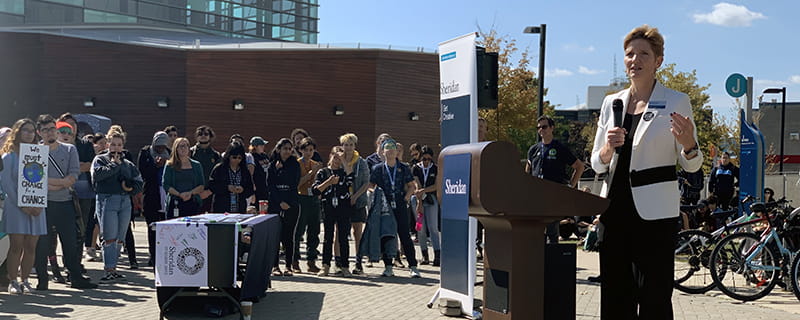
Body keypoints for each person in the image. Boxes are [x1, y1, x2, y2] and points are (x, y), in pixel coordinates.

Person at [590, 25, 702, 319]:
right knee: (615, 299)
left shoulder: (676, 101)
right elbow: (596, 163)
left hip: (655, 217)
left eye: (643, 54)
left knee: (654, 299)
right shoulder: (611, 102)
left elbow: (692, 164)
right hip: (614, 213)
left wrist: (689, 144)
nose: (634, 60)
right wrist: (607, 150)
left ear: (658, 61)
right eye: (629, 54)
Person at [33, 114, 98, 290]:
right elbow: (34, 180)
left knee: (70, 242)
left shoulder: (70, 150)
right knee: (42, 244)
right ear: (39, 133)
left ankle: (76, 277)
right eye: (45, 130)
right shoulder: (34, 152)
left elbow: (73, 176)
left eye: (52, 129)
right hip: (43, 205)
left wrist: (53, 184)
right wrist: (58, 183)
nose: (49, 133)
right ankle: (42, 280)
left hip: (65, 202)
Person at [2, 119, 47, 293]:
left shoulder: (38, 154)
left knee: (31, 246)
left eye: (31, 130)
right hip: (16, 207)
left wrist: (38, 204)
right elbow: (7, 185)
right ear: (17, 132)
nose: (29, 133)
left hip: (37, 207)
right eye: (25, 130)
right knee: (16, 245)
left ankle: (26, 280)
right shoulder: (9, 156)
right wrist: (23, 205)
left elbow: (41, 180)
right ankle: (12, 281)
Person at [91, 129, 143, 282]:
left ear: (123, 146)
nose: (116, 148)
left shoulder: (128, 164)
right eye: (113, 144)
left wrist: (131, 188)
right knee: (109, 237)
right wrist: (114, 165)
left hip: (124, 201)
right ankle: (108, 269)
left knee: (120, 237)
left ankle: (114, 267)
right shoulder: (100, 159)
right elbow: (97, 176)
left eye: (119, 145)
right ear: (107, 144)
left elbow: (139, 182)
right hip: (107, 200)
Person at [526, 115, 585, 243]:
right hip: (537, 196)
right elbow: (528, 170)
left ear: (552, 128)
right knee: (536, 230)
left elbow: (579, 167)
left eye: (544, 126)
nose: (541, 130)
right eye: (538, 128)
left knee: (552, 230)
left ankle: (552, 259)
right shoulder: (533, 150)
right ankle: (537, 259)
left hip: (553, 196)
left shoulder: (559, 148)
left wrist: (570, 186)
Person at [369, 138, 420, 278]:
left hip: (400, 204)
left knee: (404, 235)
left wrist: (406, 198)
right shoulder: (377, 168)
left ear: (397, 151)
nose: (390, 150)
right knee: (387, 235)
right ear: (383, 151)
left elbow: (412, 186)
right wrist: (377, 194)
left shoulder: (404, 167)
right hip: (385, 206)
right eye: (387, 147)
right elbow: (370, 185)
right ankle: (388, 266)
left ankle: (413, 266)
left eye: (393, 147)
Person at [57, 113, 97, 272]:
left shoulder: (84, 145)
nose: (69, 128)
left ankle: (76, 263)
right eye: (65, 125)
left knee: (80, 229)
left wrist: (71, 168)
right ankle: (65, 263)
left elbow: (90, 165)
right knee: (65, 231)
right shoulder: (55, 146)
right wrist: (77, 166)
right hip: (61, 193)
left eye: (72, 125)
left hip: (83, 192)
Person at [313, 147, 354, 276]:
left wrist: (343, 159)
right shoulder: (323, 172)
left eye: (340, 157)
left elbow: (351, 178)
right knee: (328, 237)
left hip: (343, 207)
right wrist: (329, 182)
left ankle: (345, 266)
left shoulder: (344, 172)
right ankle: (325, 265)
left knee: (343, 237)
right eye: (335, 157)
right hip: (328, 207)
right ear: (330, 156)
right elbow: (316, 190)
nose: (337, 160)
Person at [267, 138, 301, 276]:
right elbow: (270, 185)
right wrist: (280, 201)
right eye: (284, 148)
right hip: (275, 204)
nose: (287, 151)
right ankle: (275, 266)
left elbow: (294, 184)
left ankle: (288, 266)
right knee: (276, 236)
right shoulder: (272, 165)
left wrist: (288, 202)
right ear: (279, 149)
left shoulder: (294, 164)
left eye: (289, 148)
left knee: (288, 236)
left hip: (291, 203)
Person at [137, 131, 171, 267]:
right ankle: (153, 255)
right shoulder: (145, 153)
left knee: (166, 226)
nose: (160, 149)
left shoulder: (169, 153)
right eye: (158, 147)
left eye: (163, 147)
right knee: (152, 227)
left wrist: (166, 163)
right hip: (151, 194)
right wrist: (155, 166)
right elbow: (142, 172)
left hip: (166, 193)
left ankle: (165, 253)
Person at [339, 133, 370, 274]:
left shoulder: (361, 162)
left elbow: (365, 183)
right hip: (341, 202)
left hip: (358, 202)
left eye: (351, 144)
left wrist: (356, 196)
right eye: (346, 144)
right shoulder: (338, 159)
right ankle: (338, 263)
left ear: (355, 146)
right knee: (339, 233)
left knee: (357, 232)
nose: (348, 147)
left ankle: (358, 263)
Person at [294, 137, 323, 273]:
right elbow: (297, 184)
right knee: (299, 230)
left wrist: (316, 172)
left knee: (314, 231)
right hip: (301, 198)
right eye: (306, 150)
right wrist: (311, 173)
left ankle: (311, 260)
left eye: (311, 150)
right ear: (301, 150)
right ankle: (295, 260)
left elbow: (319, 184)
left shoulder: (316, 164)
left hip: (314, 199)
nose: (309, 153)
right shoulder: (296, 164)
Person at [411, 146, 441, 266]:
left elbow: (436, 185)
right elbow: (416, 185)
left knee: (433, 227)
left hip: (431, 199)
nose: (426, 161)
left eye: (429, 159)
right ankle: (424, 255)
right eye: (424, 159)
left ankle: (437, 255)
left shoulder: (435, 168)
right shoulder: (416, 168)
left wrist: (424, 190)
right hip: (418, 199)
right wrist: (419, 202)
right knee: (420, 227)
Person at [163, 138, 205, 217]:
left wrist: (190, 193)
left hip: (192, 202)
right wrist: (179, 194)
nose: (183, 148)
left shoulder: (197, 165)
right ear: (176, 149)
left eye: (186, 146)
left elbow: (201, 185)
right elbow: (166, 184)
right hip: (175, 202)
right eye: (181, 146)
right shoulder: (169, 165)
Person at [208, 142, 254, 214]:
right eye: (234, 157)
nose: (237, 160)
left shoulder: (244, 171)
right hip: (222, 210)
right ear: (229, 156)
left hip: (240, 210)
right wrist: (227, 188)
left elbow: (250, 188)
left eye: (239, 158)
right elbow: (212, 185)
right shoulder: (219, 169)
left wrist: (242, 190)